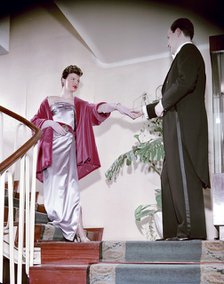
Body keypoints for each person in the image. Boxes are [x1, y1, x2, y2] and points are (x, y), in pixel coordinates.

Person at [31, 64, 141, 242]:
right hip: (53, 150)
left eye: (78, 80)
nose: (75, 82)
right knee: (56, 193)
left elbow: (96, 108)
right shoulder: (49, 100)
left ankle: (81, 234)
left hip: (69, 148)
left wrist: (117, 107)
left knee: (73, 189)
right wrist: (51, 124)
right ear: (63, 80)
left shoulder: (79, 104)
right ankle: (70, 228)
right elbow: (34, 121)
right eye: (72, 79)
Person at [142, 18, 210, 241]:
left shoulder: (188, 51)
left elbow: (185, 82)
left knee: (182, 177)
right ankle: (173, 233)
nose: (167, 42)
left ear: (178, 32)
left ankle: (191, 233)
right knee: (169, 179)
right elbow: (174, 93)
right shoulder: (183, 55)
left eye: (168, 37)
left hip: (183, 126)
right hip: (175, 126)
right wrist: (146, 111)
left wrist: (159, 105)